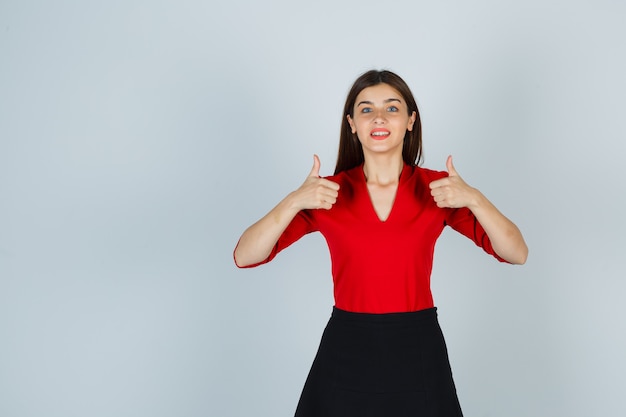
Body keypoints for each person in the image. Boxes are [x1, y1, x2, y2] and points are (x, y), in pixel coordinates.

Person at [233, 69, 528, 417]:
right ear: (352, 124)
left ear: (410, 121)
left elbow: (516, 252)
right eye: (366, 109)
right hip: (347, 346)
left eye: (391, 108)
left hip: (417, 347)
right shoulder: (328, 193)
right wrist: (294, 200)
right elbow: (245, 255)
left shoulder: (439, 190)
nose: (379, 118)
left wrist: (475, 198)